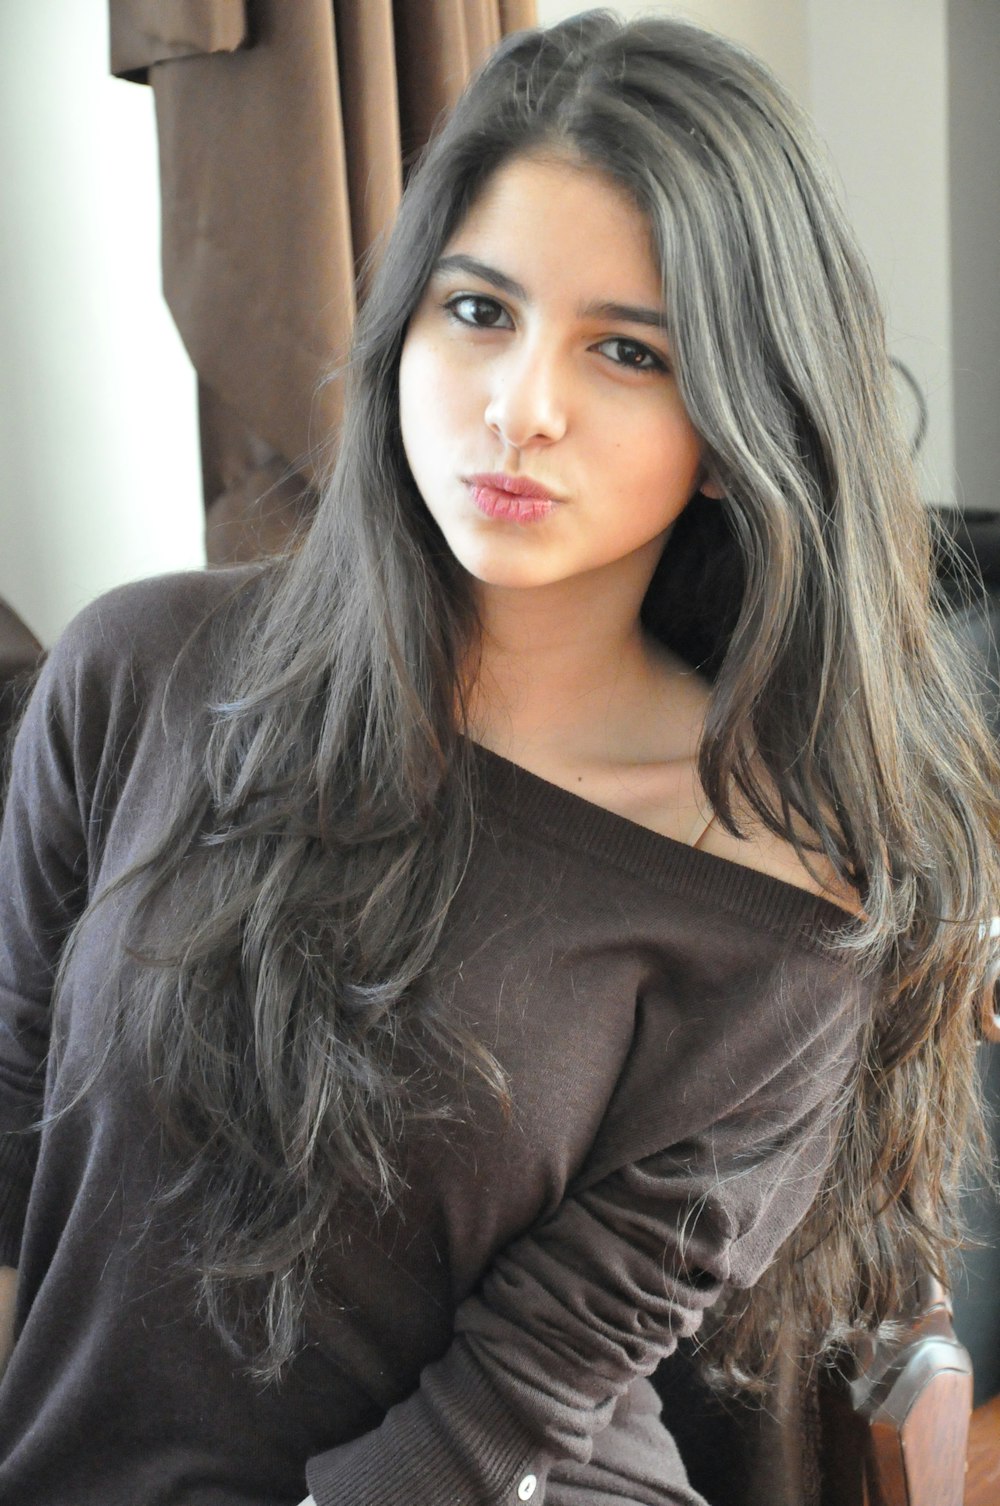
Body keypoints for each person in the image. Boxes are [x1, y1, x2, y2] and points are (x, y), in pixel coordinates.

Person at [0, 12, 997, 1505]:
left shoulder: (772, 889)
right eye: (480, 311)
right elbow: (12, 1157)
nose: (520, 406)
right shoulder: (134, 672)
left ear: (730, 423)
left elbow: (519, 1398)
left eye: (627, 350)